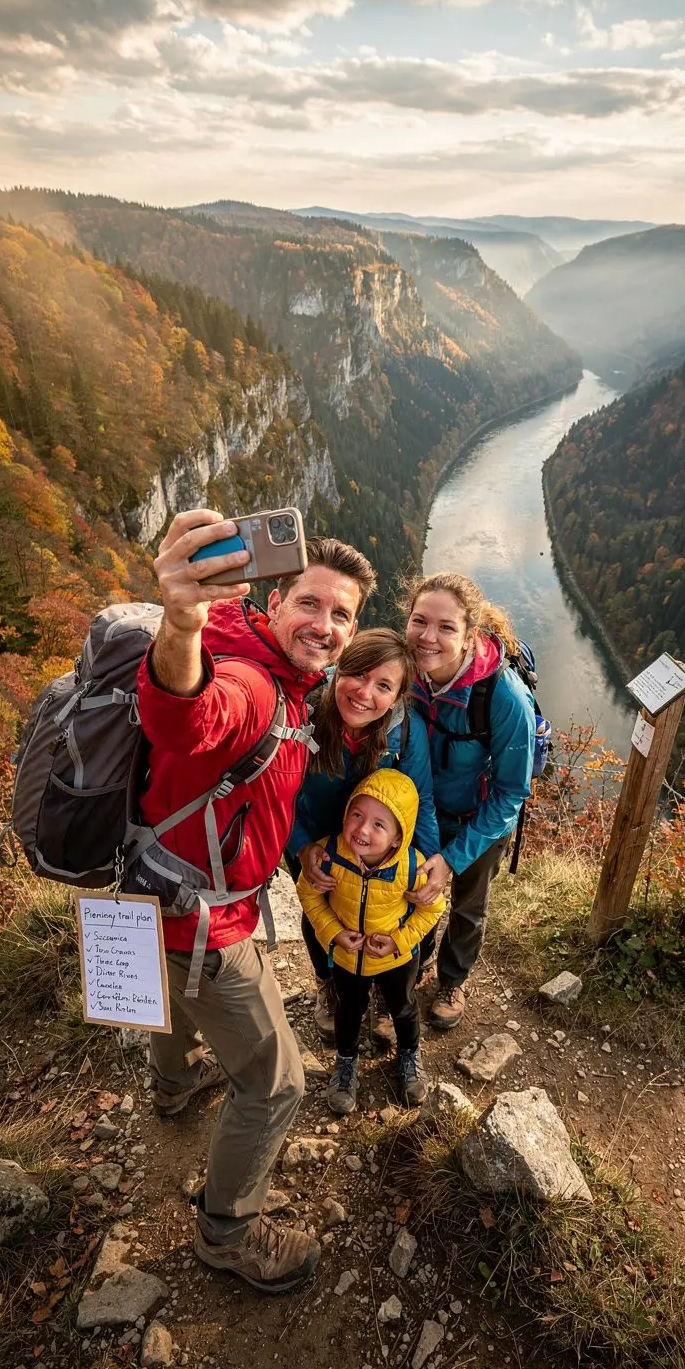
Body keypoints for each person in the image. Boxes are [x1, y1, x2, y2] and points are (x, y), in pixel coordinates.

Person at [137, 508, 376, 1294]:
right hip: (206, 918)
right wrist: (179, 624)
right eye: (310, 603)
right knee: (278, 1082)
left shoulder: (268, 664)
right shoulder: (246, 677)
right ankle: (229, 1232)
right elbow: (190, 714)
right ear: (272, 603)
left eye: (342, 614)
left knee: (171, 1003)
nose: (326, 624)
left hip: (148, 886)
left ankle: (173, 1085)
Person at [285, 628, 439, 1041]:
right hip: (314, 839)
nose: (365, 693)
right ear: (339, 669)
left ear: (399, 695)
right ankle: (330, 984)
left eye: (384, 685)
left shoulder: (405, 733)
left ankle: (387, 992)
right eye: (357, 673)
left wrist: (429, 866)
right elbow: (276, 790)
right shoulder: (305, 711)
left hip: (379, 848)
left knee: (391, 912)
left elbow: (419, 801)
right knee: (320, 910)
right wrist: (300, 847)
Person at [402, 572, 535, 1030]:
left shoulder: (502, 697)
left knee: (467, 904)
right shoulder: (403, 670)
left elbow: (511, 791)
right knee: (413, 896)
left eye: (446, 627)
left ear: (469, 635)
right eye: (420, 621)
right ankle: (409, 973)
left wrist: (454, 858)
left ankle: (452, 980)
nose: (428, 637)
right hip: (420, 815)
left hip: (479, 821)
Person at [296, 769, 445, 1113]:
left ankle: (409, 1055)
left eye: (379, 825)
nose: (362, 830)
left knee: (404, 1008)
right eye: (357, 815)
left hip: (397, 958)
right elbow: (309, 894)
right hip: (349, 958)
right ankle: (346, 1063)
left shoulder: (412, 867)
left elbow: (433, 909)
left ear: (397, 838)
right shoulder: (329, 854)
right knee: (348, 1010)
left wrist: (400, 942)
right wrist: (333, 933)